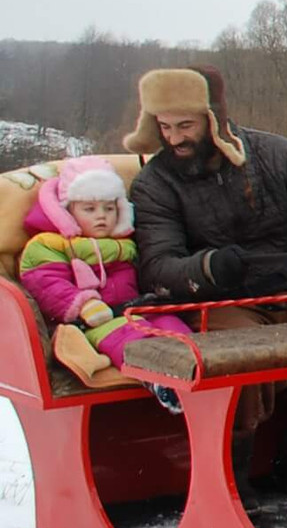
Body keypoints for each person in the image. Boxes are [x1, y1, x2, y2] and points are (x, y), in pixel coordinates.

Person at [124, 66, 287, 499]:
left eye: (185, 126)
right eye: (164, 127)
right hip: (223, 305)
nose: (175, 138)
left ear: (214, 119)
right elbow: (158, 267)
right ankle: (230, 485)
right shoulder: (155, 184)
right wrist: (208, 268)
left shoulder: (279, 154)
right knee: (242, 358)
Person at [18, 156, 189, 410]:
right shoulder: (49, 244)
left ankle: (195, 366)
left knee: (171, 325)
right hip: (88, 321)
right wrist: (83, 304)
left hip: (131, 310)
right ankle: (158, 379)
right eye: (89, 209)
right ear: (67, 210)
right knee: (124, 337)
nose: (101, 217)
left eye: (109, 208)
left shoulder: (125, 245)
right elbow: (45, 283)